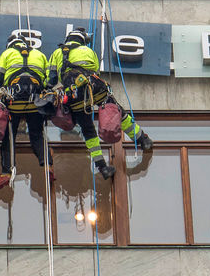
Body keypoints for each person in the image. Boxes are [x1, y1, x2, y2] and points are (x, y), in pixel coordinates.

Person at [47, 28, 153, 180]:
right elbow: (96, 70)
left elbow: (50, 80)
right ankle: (142, 139)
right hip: (93, 86)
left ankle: (102, 167)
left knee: (88, 130)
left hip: (72, 94)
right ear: (82, 40)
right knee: (115, 111)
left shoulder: (56, 53)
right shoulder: (88, 51)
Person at [0, 33, 53, 190]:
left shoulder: (7, 53)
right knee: (37, 135)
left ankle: (6, 172)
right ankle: (48, 166)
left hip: (14, 102)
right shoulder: (39, 54)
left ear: (10, 44)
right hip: (35, 102)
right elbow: (48, 80)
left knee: (9, 138)